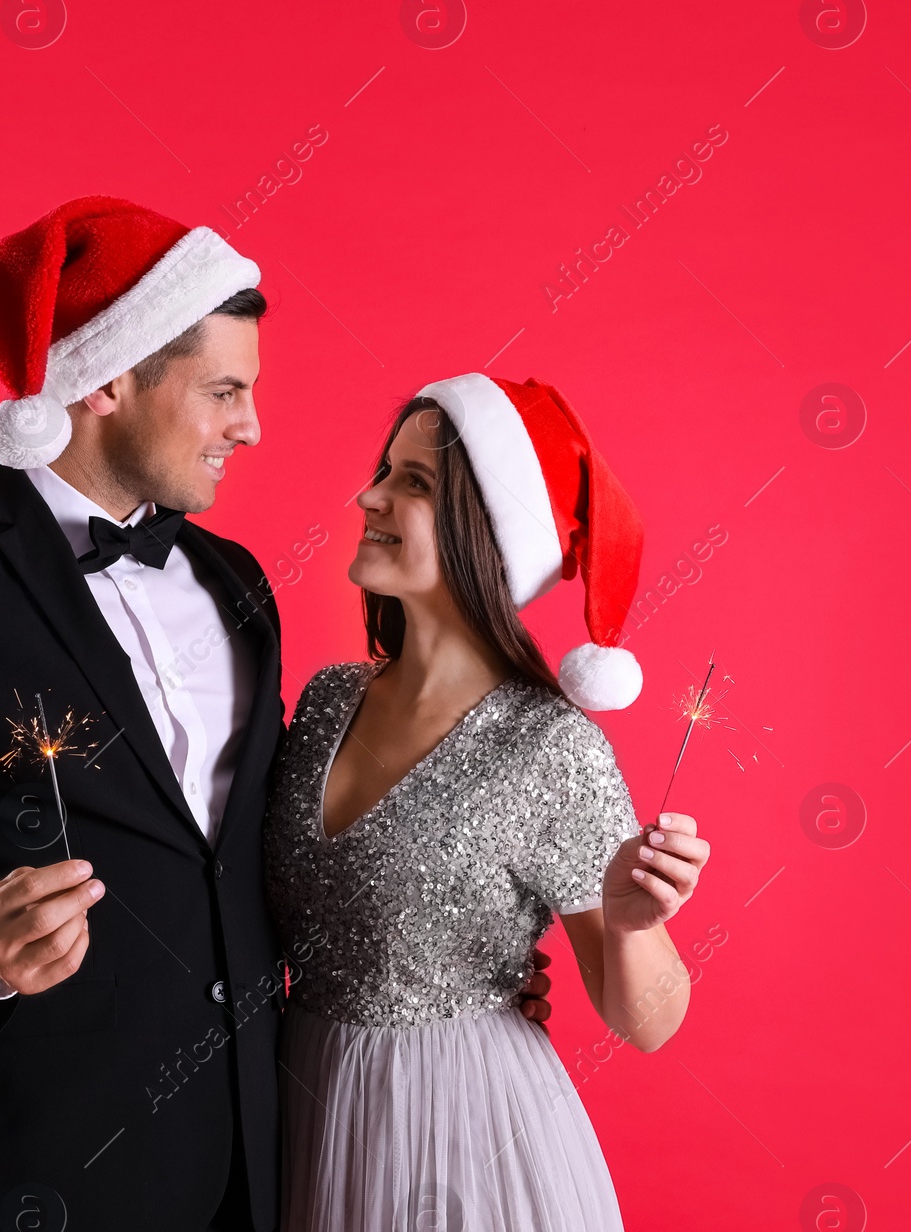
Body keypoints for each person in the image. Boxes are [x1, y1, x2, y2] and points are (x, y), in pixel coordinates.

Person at [0, 197, 553, 1231]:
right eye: (223, 390)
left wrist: (463, 924)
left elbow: (256, 859)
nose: (250, 426)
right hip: (48, 1172)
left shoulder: (236, 584)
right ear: (104, 382)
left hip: (268, 1161)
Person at [263, 374, 712, 1232]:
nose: (371, 495)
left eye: (414, 484)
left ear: (491, 539)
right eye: (385, 470)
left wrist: (626, 920)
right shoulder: (326, 702)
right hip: (301, 1105)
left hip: (463, 1137)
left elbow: (650, 1023)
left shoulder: (548, 746)